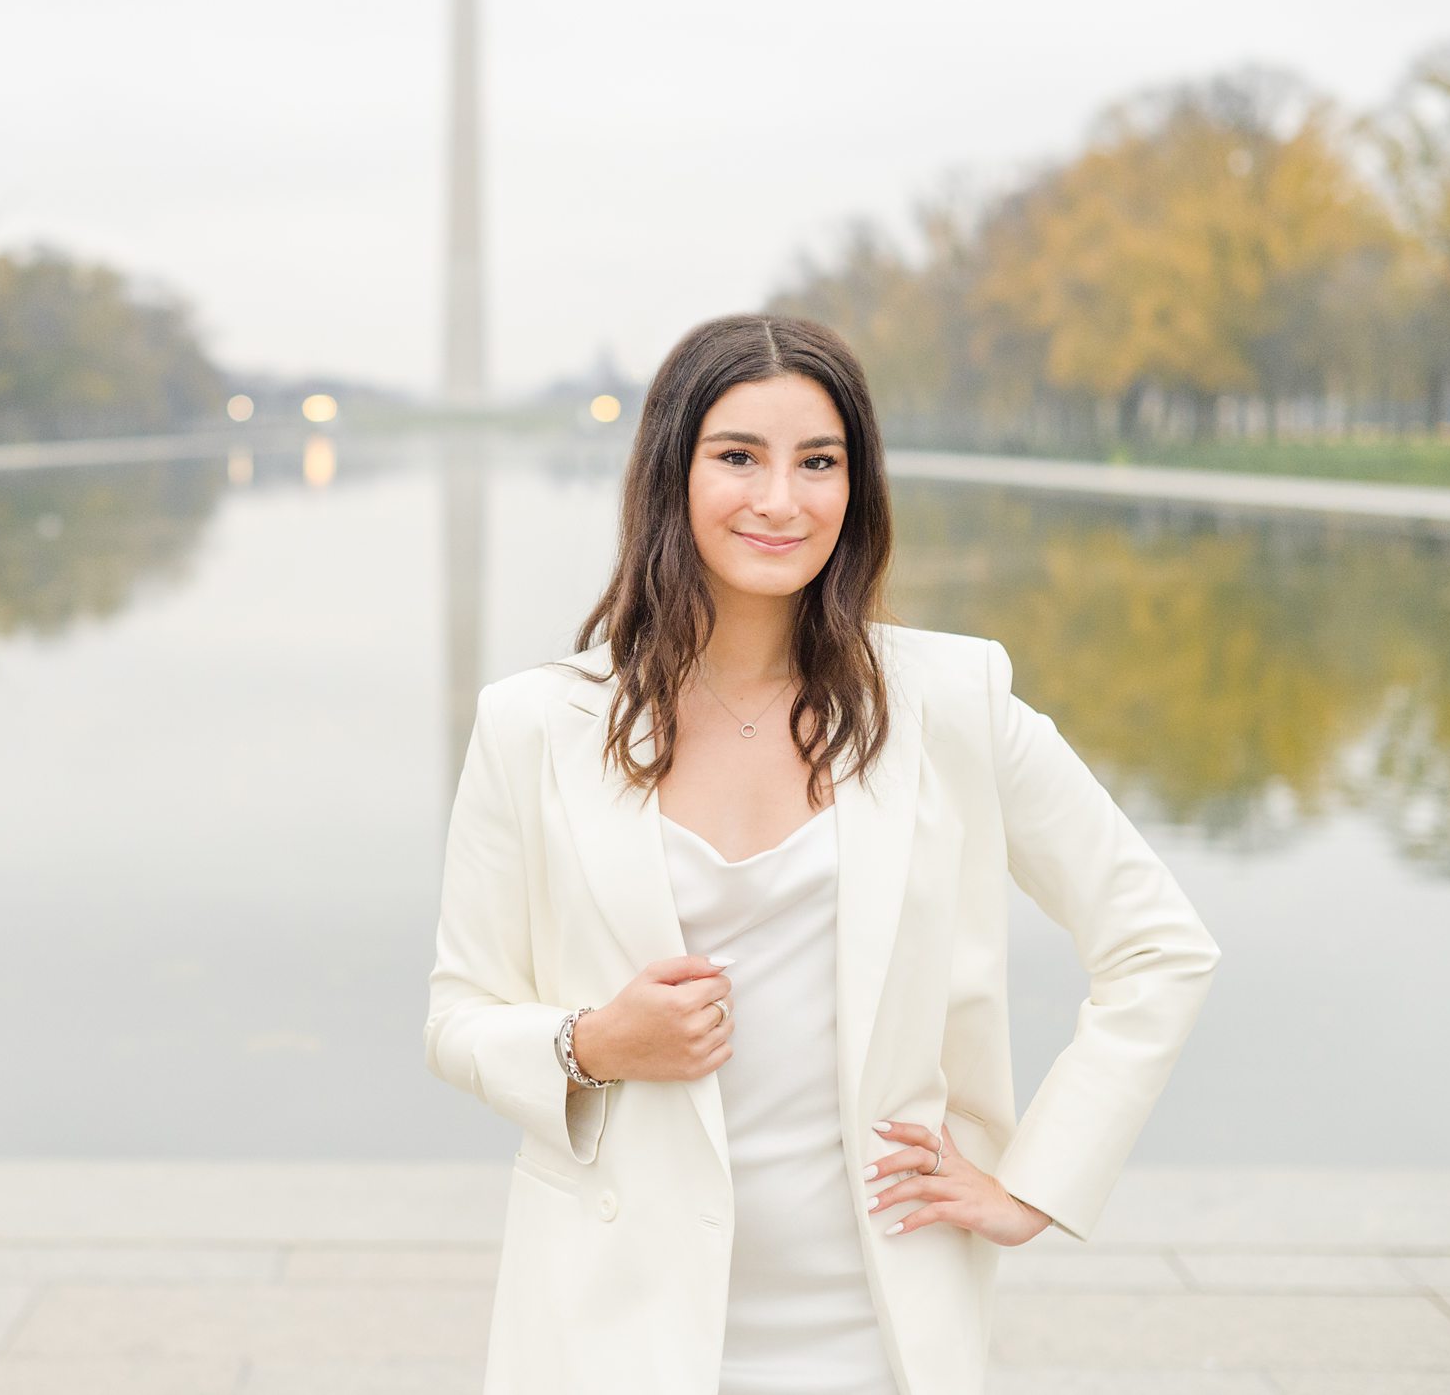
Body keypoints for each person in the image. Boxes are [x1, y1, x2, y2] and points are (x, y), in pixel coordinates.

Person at [423, 312, 1222, 1394]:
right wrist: (595, 1041)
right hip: (616, 1315)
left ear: (859, 488)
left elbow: (1158, 946)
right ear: (672, 473)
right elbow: (459, 1015)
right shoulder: (534, 725)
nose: (780, 500)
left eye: (820, 462)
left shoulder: (950, 703)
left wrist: (1036, 1181)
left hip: (872, 1323)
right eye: (738, 457)